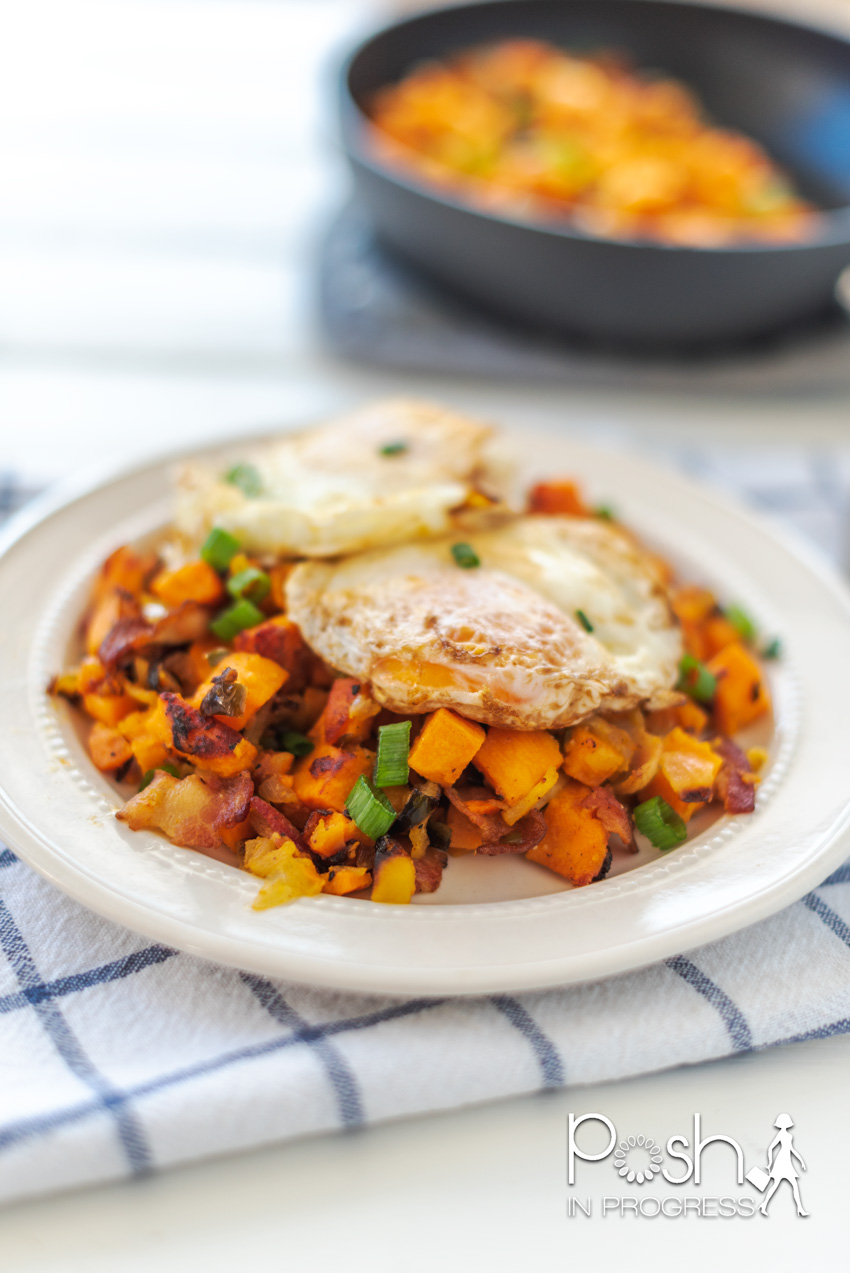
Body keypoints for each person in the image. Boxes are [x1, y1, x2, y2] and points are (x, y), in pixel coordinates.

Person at [760, 1114, 808, 1217]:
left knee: (792, 1185)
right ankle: (764, 1205)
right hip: (781, 1162)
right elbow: (771, 1148)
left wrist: (801, 1161)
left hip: (787, 1161)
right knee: (778, 1185)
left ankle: (799, 1208)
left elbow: (791, 1150)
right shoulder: (781, 1135)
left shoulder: (789, 1136)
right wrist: (770, 1163)